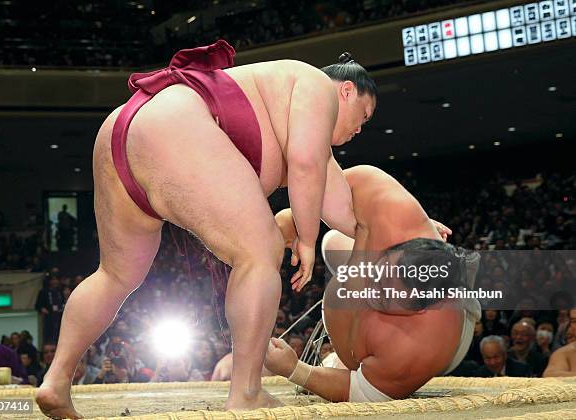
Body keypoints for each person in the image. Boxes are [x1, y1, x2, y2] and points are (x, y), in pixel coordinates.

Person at [36, 39, 377, 417]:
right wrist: (309, 240)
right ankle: (246, 391)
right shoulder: (315, 84)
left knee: (115, 274)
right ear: (346, 91)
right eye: (363, 115)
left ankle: (56, 380)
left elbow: (347, 210)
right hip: (176, 122)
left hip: (124, 126)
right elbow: (303, 164)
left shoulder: (309, 130)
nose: (360, 129)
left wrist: (415, 220)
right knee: (260, 250)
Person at [265, 165, 480, 402]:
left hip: (422, 344)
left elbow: (361, 393)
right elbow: (323, 184)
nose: (375, 289)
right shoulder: (391, 208)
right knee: (334, 242)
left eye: (387, 298)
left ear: (420, 308)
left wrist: (294, 369)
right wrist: (295, 221)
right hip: (392, 245)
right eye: (381, 275)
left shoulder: (418, 349)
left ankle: (344, 360)